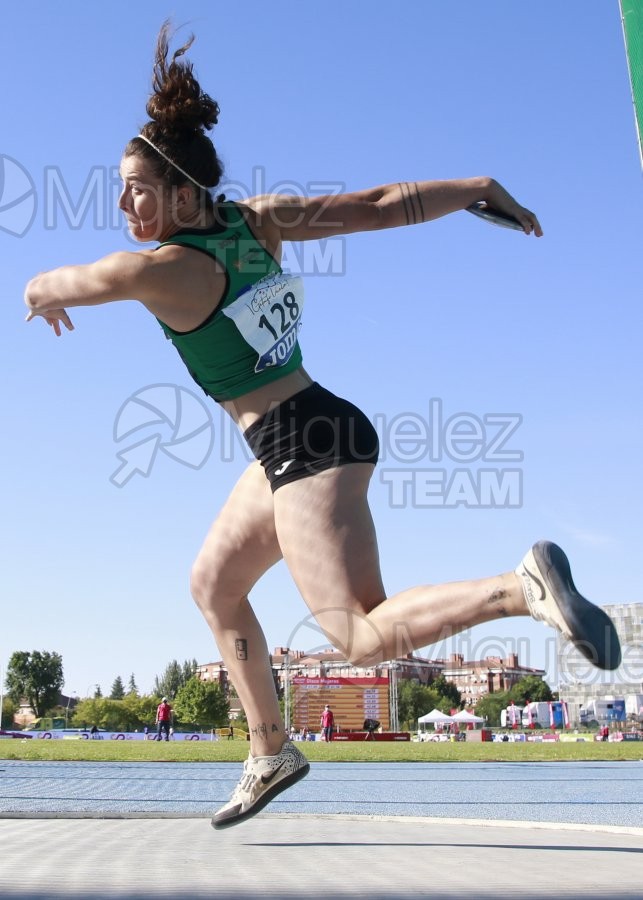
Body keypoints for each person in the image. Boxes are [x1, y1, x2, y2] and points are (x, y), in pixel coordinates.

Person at [24, 23, 622, 830]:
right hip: (306, 435)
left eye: (136, 186)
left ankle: (517, 588)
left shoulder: (157, 269)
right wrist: (475, 185)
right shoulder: (257, 221)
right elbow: (376, 206)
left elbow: (55, 279)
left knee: (359, 637)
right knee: (214, 584)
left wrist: (45, 294)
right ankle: (270, 749)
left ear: (181, 191)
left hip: (301, 448)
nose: (123, 202)